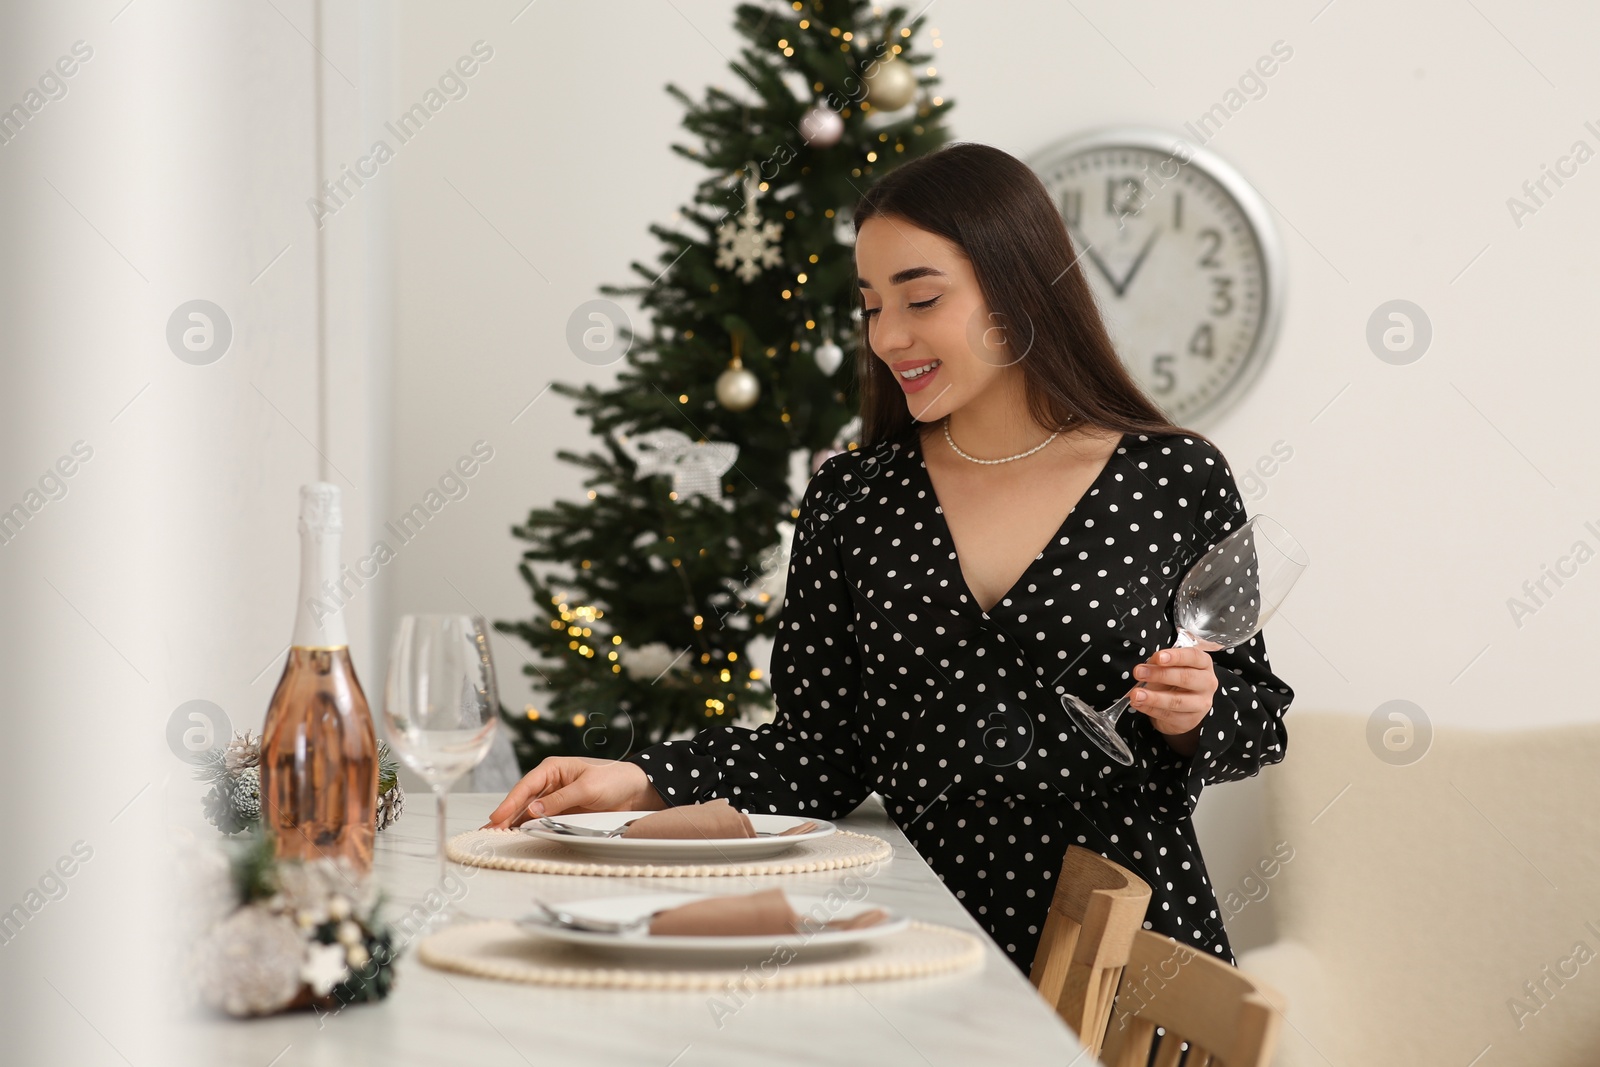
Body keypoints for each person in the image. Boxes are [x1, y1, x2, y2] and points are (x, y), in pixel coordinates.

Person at [485, 141, 1294, 978]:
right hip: (920, 942)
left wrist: (1197, 713)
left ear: (1017, 293)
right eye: (871, 306)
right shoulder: (854, 497)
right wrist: (643, 777)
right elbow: (816, 755)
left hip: (1130, 945)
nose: (889, 335)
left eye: (921, 298)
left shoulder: (1175, 475)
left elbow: (1260, 716)